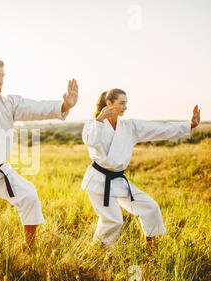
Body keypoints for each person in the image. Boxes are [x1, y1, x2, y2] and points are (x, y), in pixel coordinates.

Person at [0, 57, 78, 251]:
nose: (0, 80)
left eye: (2, 75)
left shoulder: (9, 103)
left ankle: (30, 247)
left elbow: (36, 108)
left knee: (29, 195)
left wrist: (64, 106)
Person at [81, 88, 201, 249]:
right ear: (109, 103)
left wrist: (189, 125)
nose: (125, 107)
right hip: (98, 181)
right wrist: (100, 120)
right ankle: (97, 253)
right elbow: (92, 142)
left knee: (150, 207)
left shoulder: (129, 126)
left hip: (118, 179)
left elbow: (159, 129)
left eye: (126, 103)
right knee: (113, 220)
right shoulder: (93, 125)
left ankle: (151, 249)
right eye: (121, 103)